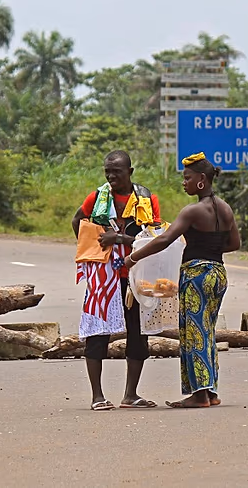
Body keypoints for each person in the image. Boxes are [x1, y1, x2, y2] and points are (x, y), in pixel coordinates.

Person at [125, 152, 241, 408]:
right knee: (207, 331)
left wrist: (133, 257)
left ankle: (199, 395)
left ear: (202, 180)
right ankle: (210, 392)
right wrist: (210, 247)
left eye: (187, 178)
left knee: (194, 333)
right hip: (218, 274)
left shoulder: (192, 211)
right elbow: (234, 243)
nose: (184, 182)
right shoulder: (225, 208)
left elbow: (165, 239)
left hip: (196, 276)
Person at [71, 150, 161, 411]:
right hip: (104, 277)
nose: (111, 177)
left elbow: (155, 238)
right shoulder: (97, 197)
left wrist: (120, 239)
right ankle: (97, 396)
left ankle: (130, 395)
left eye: (117, 172)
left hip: (135, 275)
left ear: (130, 172)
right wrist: (93, 245)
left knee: (138, 334)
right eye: (107, 172)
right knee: (97, 332)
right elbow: (77, 220)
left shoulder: (146, 198)